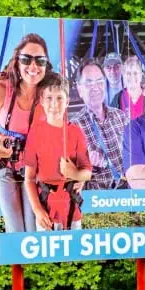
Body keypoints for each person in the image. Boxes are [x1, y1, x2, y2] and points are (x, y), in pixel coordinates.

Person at [0, 33, 50, 233]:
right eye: (26, 59)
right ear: (17, 63)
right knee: (15, 230)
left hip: (32, 169)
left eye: (40, 60)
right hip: (4, 165)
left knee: (33, 230)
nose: (33, 66)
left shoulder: (48, 97)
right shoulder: (1, 91)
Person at [22, 74, 92, 231]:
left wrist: (75, 174)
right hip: (46, 210)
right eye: (49, 98)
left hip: (71, 209)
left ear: (67, 102)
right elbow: (29, 178)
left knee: (72, 252)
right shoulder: (35, 133)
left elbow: (87, 172)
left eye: (60, 98)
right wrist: (38, 210)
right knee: (48, 254)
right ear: (41, 101)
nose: (54, 103)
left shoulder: (75, 132)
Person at [71, 60, 129, 190]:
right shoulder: (74, 126)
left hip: (127, 196)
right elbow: (71, 175)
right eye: (89, 83)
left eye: (99, 81)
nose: (95, 87)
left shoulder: (121, 116)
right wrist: (88, 167)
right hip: (97, 201)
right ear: (80, 89)